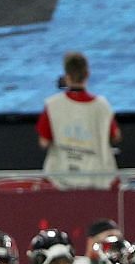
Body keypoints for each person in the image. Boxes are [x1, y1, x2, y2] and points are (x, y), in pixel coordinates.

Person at [38, 50, 119, 187]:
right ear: (87, 74)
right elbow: (116, 136)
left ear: (66, 76)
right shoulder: (102, 106)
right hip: (97, 181)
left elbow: (44, 142)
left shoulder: (52, 105)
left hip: (61, 180)